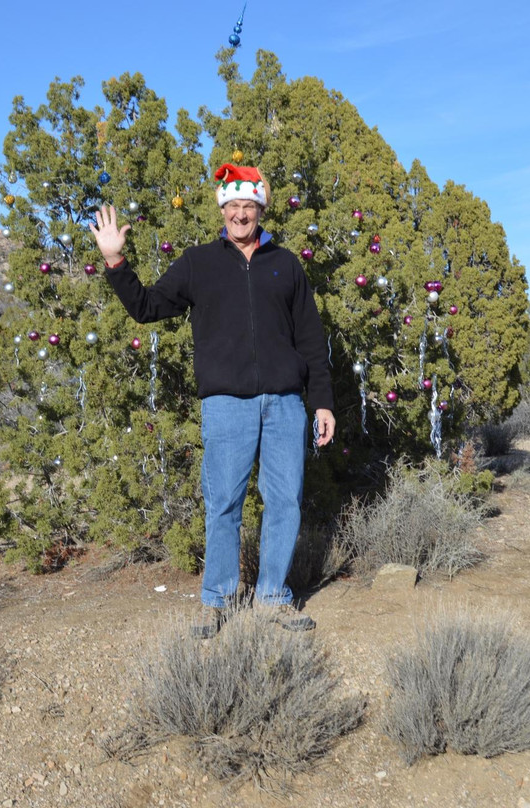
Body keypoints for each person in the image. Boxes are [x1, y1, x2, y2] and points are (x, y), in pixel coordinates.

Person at [89, 163, 335, 638]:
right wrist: (115, 263)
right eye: (233, 206)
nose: (241, 215)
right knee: (223, 503)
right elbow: (147, 307)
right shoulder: (198, 262)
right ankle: (217, 600)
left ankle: (271, 600)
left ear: (261, 209)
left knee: (285, 502)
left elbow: (311, 338)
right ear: (222, 209)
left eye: (249, 206)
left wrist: (321, 402)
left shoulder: (287, 264)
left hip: (285, 403)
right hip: (226, 404)